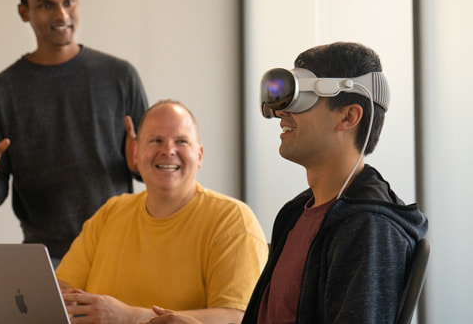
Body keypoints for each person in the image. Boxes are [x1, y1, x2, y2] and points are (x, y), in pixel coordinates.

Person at [144, 42, 429, 324]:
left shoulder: (369, 228)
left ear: (348, 116)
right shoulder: (296, 214)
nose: (281, 113)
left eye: (301, 99)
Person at [0, 0, 148, 260]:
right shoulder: (0, 91)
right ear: (24, 12)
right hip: (47, 258)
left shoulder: (120, 76)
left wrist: (141, 165)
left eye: (68, 2)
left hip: (119, 252)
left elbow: (147, 170)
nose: (62, 15)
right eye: (46, 5)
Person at [55, 100, 269, 324]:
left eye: (181, 142)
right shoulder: (111, 212)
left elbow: (237, 318)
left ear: (199, 155)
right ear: (136, 152)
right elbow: (63, 289)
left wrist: (131, 317)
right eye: (156, 140)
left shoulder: (233, 221)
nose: (168, 151)